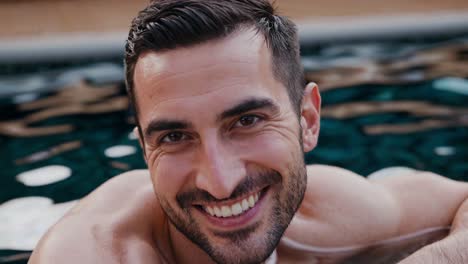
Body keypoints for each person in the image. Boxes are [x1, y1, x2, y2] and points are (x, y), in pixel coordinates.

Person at [29, 0, 468, 263]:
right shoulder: (92, 252)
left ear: (307, 120)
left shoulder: (331, 218)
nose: (220, 181)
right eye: (174, 137)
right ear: (144, 149)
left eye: (247, 121)